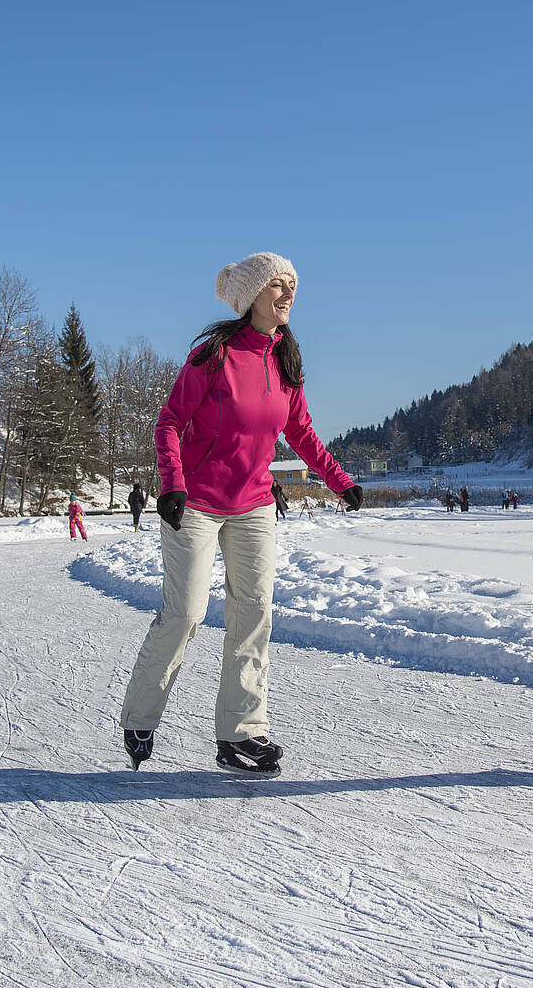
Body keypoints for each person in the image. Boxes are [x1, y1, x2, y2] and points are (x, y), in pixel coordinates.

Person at [119, 251, 362, 776]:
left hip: (254, 504)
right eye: (278, 285)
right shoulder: (214, 355)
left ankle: (241, 734)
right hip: (198, 504)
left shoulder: (285, 361)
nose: (288, 295)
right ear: (252, 295)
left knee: (253, 616)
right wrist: (172, 483)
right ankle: (140, 715)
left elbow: (301, 433)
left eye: (292, 286)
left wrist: (341, 481)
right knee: (185, 614)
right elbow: (169, 421)